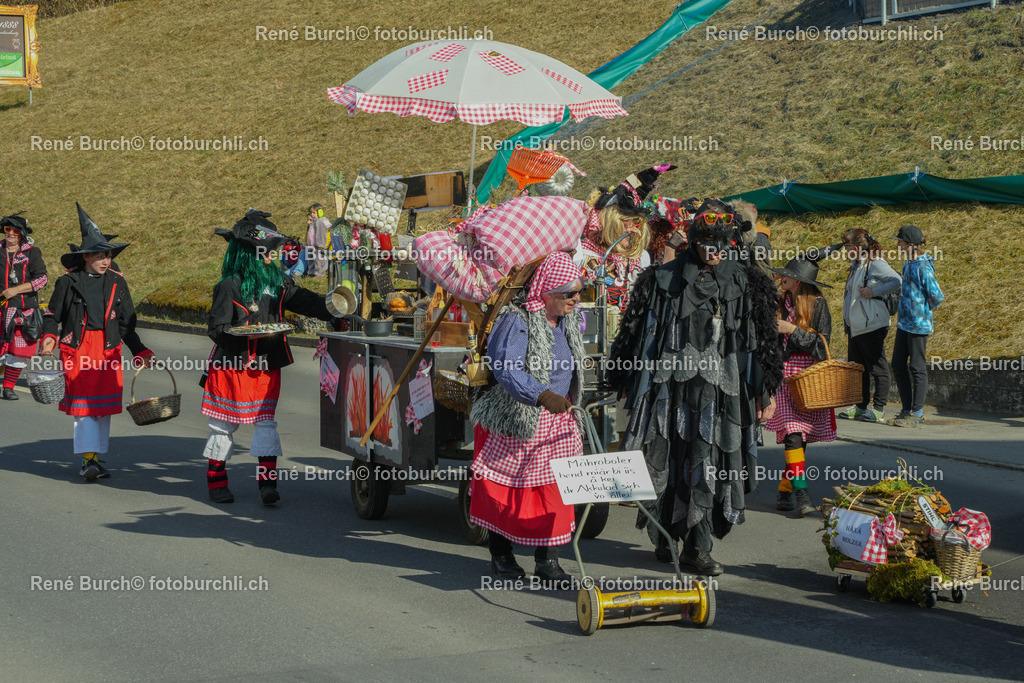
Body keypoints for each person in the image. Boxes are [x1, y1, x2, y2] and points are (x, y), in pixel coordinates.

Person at [609, 199, 783, 576]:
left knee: (708, 462)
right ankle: (665, 535)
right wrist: (625, 376)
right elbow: (638, 334)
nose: (714, 253)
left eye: (720, 245)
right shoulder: (660, 278)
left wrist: (765, 389)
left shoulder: (745, 280)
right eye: (706, 244)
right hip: (668, 392)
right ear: (693, 240)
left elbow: (761, 342)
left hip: (721, 396)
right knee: (667, 458)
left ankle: (697, 546)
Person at [202, 209, 340, 505]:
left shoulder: (276, 280)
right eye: (265, 253)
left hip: (266, 365)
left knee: (265, 422)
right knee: (224, 425)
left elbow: (304, 300)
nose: (271, 258)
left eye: (271, 253)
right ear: (247, 254)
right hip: (232, 366)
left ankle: (268, 484)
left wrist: (337, 308)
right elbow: (217, 329)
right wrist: (245, 332)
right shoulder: (229, 286)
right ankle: (217, 481)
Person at [469, 252, 587, 583]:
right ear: (546, 291)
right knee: (506, 490)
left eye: (579, 292)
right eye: (569, 293)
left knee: (558, 490)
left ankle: (548, 560)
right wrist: (540, 395)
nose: (576, 299)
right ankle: (501, 555)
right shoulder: (517, 320)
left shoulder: (568, 320)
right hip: (518, 417)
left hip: (559, 419)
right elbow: (506, 366)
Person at [38, 204, 155, 481]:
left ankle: (95, 458)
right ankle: (88, 461)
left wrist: (140, 350)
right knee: (85, 408)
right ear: (86, 256)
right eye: (101, 255)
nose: (106, 260)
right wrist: (48, 341)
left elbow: (126, 323)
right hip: (78, 349)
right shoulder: (68, 282)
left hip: (108, 349)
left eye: (108, 255)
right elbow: (53, 315)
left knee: (103, 409)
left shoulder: (117, 281)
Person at [763, 255, 836, 517]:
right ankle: (802, 495)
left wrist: (792, 330)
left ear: (798, 281)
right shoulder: (780, 302)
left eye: (787, 274)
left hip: (808, 378)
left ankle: (785, 489)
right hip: (784, 376)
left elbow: (822, 346)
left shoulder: (818, 305)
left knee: (800, 440)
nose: (782, 277)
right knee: (793, 435)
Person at [575, 165, 676, 312]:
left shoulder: (641, 258)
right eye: (626, 223)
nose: (634, 229)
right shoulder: (581, 254)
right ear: (609, 223)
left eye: (637, 223)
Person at [836, 229, 901, 423]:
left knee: (877, 367)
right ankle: (860, 406)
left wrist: (874, 291)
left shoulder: (875, 263)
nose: (845, 250)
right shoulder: (856, 265)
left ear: (855, 247)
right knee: (859, 368)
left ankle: (879, 408)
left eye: (847, 246)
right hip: (855, 326)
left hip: (871, 325)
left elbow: (897, 280)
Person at [890, 224, 944, 428]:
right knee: (897, 364)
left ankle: (918, 413)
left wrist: (923, 309)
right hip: (904, 324)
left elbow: (937, 295)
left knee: (917, 367)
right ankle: (907, 410)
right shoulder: (908, 264)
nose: (898, 245)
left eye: (900, 242)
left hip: (918, 325)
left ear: (911, 245)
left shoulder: (922, 266)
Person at [1, 212, 48, 400]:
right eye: (7, 229)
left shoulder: (32, 252)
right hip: (1, 310)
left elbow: (42, 279)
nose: (10, 233)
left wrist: (16, 290)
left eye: (14, 230)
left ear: (21, 234)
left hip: (23, 310)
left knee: (19, 352)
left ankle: (8, 387)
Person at [305, 204, 331, 278]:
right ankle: (311, 272)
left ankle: (319, 274)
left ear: (320, 212)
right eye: (311, 213)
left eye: (314, 213)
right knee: (311, 259)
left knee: (319, 260)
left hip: (318, 246)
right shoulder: (315, 222)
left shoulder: (320, 222)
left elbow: (321, 235)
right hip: (312, 245)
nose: (312, 215)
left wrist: (320, 245)